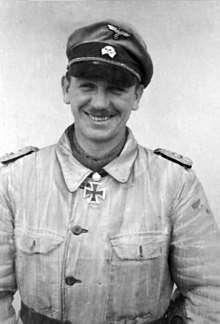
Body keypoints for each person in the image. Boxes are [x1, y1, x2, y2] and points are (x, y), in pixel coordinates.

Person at [0, 19, 220, 324]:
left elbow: (209, 292)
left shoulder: (175, 184)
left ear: (137, 96)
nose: (100, 103)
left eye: (116, 89)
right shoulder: (16, 179)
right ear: (66, 88)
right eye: (87, 86)